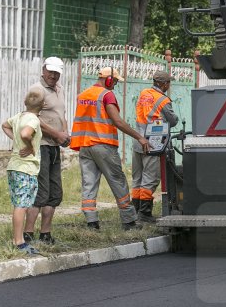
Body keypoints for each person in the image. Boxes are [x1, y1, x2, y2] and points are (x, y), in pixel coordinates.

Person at [70, 67, 150, 231]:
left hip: (85, 145)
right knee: (118, 181)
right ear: (107, 80)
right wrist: (139, 137)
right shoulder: (106, 95)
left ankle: (92, 223)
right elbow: (118, 121)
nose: (114, 85)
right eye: (114, 81)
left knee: (89, 184)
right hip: (103, 145)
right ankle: (129, 221)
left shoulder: (83, 95)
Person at [23, 56, 70, 245]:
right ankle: (28, 233)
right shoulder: (37, 89)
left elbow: (61, 114)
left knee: (55, 193)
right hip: (41, 145)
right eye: (50, 71)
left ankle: (46, 234)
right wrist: (55, 133)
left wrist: (65, 133)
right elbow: (32, 116)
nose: (53, 75)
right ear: (43, 70)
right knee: (40, 192)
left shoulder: (59, 89)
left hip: (55, 147)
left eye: (56, 72)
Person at [1, 90, 45, 255]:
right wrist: (29, 146)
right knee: (21, 206)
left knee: (19, 204)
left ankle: (18, 238)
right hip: (25, 169)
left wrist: (17, 142)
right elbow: (25, 133)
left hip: (14, 167)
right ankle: (18, 241)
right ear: (43, 105)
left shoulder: (19, 116)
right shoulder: (33, 119)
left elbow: (4, 125)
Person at [132, 70, 179, 223]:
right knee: (150, 178)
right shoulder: (163, 100)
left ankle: (135, 211)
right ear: (162, 84)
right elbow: (172, 121)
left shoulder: (144, 93)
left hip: (138, 140)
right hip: (153, 144)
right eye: (167, 83)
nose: (168, 85)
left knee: (137, 178)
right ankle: (144, 213)